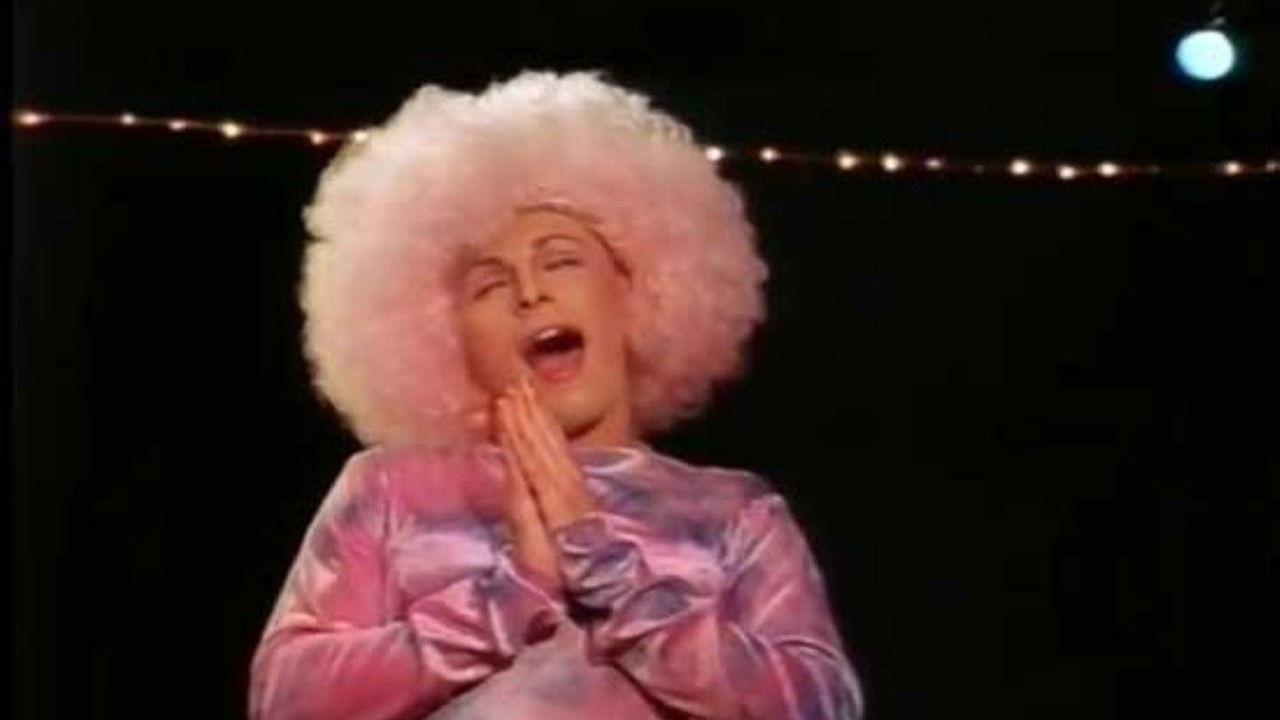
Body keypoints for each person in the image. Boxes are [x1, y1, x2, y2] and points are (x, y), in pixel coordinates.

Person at [248, 70, 864, 720]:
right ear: (448, 336)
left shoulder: (735, 513)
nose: (530, 292)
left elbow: (820, 706)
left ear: (633, 291)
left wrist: (606, 566)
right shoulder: (391, 491)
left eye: (561, 260)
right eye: (489, 284)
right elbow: (287, 701)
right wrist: (510, 593)